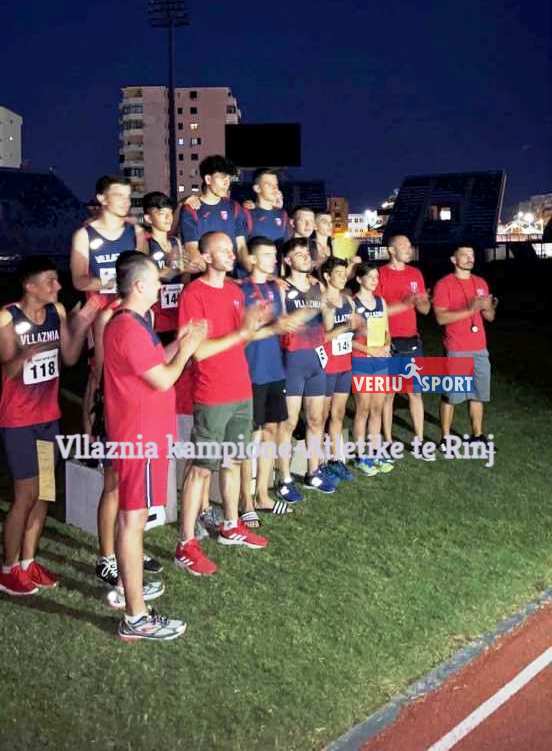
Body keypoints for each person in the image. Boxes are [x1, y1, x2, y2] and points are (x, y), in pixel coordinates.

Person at [102, 251, 207, 640]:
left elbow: (149, 365)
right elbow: (163, 379)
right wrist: (188, 347)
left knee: (131, 518)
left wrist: (177, 341)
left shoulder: (132, 323)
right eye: (157, 282)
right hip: (140, 437)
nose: (162, 288)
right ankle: (136, 616)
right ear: (140, 286)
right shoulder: (128, 328)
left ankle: (129, 591)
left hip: (141, 433)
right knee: (133, 521)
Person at [0, 257, 98, 596]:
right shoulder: (7, 316)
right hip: (19, 422)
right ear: (29, 286)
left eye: (57, 281)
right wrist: (35, 348)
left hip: (47, 418)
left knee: (44, 491)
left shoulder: (56, 311)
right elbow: (10, 369)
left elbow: (69, 358)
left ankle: (29, 562)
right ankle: (8, 568)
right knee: (25, 494)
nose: (58, 287)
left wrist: (81, 321)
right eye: (50, 281)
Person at [174, 232, 270, 577]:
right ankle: (185, 544)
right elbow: (197, 352)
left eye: (232, 249)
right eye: (224, 251)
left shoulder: (234, 291)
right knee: (201, 469)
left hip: (240, 390)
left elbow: (239, 339)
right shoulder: (193, 294)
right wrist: (243, 332)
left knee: (233, 461)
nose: (232, 255)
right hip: (212, 394)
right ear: (206, 255)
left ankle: (231, 525)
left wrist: (262, 327)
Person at [70, 175, 146, 435]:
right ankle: (92, 439)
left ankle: (126, 428)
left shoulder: (134, 232)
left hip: (130, 309)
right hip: (100, 311)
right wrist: (111, 280)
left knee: (132, 370)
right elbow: (78, 280)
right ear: (102, 198)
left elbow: (143, 271)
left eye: (128, 196)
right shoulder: (85, 234)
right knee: (98, 375)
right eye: (119, 195)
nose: (126, 201)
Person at [239, 236, 302, 526]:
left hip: (275, 369)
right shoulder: (240, 290)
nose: (273, 259)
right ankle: (246, 500)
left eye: (274, 255)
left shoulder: (276, 289)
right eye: (267, 255)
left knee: (271, 432)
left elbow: (283, 324)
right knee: (250, 438)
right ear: (251, 259)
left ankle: (263, 495)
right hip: (251, 371)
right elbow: (241, 333)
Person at [277, 238, 337, 500]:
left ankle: (313, 471)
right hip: (291, 361)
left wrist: (326, 301)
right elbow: (281, 324)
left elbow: (328, 323)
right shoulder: (281, 287)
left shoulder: (318, 286)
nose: (304, 257)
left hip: (315, 358)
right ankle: (284, 478)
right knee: (288, 423)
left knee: (316, 419)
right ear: (287, 261)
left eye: (306, 253)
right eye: (298, 254)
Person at [433, 246, 497, 444]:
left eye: (472, 255)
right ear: (453, 259)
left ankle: (477, 435)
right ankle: (445, 437)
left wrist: (489, 308)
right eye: (465, 255)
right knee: (452, 396)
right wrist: (471, 309)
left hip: (479, 348)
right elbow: (441, 318)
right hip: (456, 348)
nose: (470, 259)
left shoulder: (480, 282)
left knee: (478, 394)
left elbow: (489, 317)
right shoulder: (444, 284)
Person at [376, 235, 430, 446]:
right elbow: (376, 310)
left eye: (410, 246)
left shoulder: (415, 273)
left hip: (412, 340)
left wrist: (422, 301)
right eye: (404, 246)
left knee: (414, 392)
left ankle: (420, 439)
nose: (409, 249)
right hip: (388, 341)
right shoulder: (381, 274)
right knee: (388, 394)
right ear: (391, 250)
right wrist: (406, 302)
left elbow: (424, 310)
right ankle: (388, 440)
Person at [351, 263, 394, 476]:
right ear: (359, 279)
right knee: (363, 409)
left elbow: (387, 330)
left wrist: (386, 346)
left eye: (376, 277)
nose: (374, 280)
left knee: (378, 408)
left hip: (380, 362)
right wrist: (368, 349)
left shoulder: (380, 302)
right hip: (361, 361)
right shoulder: (352, 302)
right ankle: (361, 455)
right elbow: (346, 339)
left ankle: (375, 452)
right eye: (370, 276)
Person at [179, 155, 249, 275]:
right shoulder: (191, 209)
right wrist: (217, 276)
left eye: (228, 178)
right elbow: (192, 249)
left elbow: (241, 247)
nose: (226, 183)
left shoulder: (234, 207)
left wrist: (254, 271)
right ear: (208, 179)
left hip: (232, 278)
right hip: (205, 280)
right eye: (222, 178)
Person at [320, 257, 355, 481]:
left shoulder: (348, 301)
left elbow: (353, 331)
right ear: (327, 276)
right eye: (339, 273)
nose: (343, 277)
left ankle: (335, 458)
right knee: (321, 416)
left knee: (338, 414)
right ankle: (320, 462)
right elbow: (325, 335)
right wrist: (345, 326)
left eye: (345, 273)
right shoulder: (323, 301)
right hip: (327, 366)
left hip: (345, 364)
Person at [242, 169, 290, 248]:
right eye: (269, 185)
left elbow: (287, 246)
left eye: (276, 185)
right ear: (257, 188)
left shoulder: (283, 215)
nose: (275, 188)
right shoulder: (246, 214)